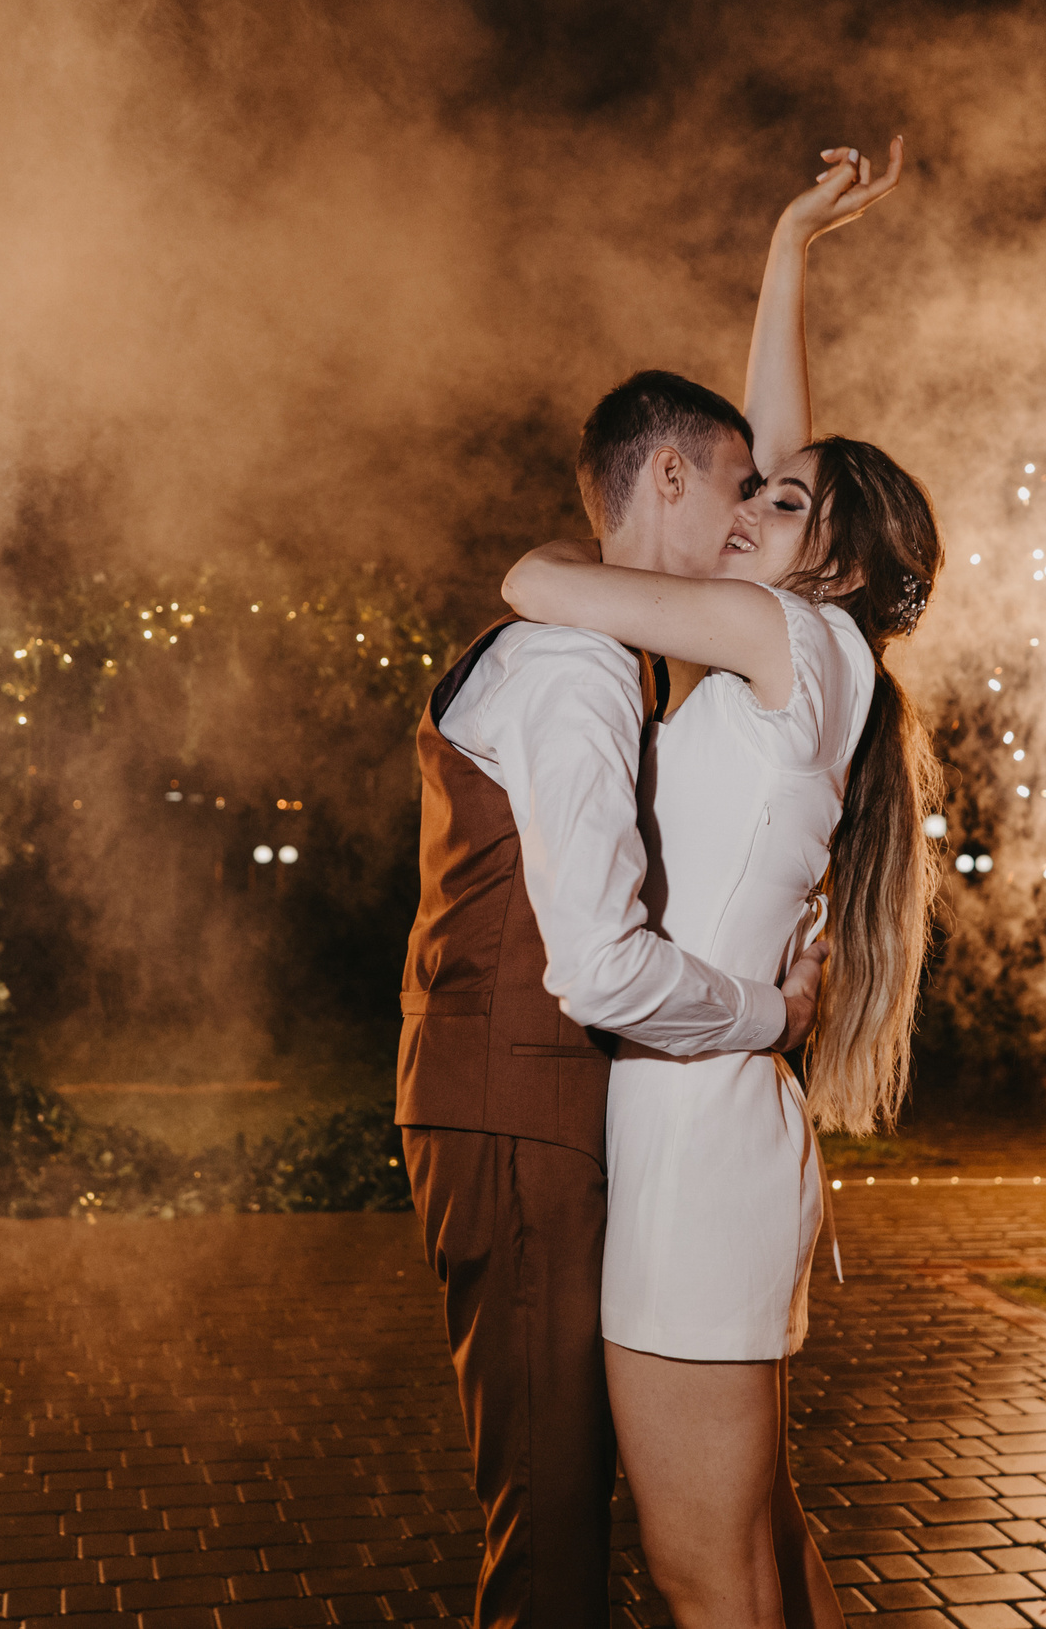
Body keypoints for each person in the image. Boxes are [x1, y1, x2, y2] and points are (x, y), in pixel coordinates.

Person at [500, 136, 945, 1629]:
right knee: (755, 1557)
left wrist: (546, 574)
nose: (745, 502)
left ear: (827, 560)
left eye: (778, 505)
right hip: (717, 1126)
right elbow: (778, 451)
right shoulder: (814, 650)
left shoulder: (793, 641)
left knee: (709, 1582)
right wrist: (789, 249)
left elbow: (542, 586)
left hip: (697, 1147)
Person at [396, 370, 832, 1624]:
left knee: (565, 1499)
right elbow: (596, 963)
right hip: (518, 1105)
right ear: (671, 478)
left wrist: (793, 247)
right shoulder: (581, 666)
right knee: (551, 1522)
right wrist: (769, 1017)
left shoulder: (598, 657)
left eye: (773, 501)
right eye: (737, 490)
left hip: (511, 1099)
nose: (749, 523)